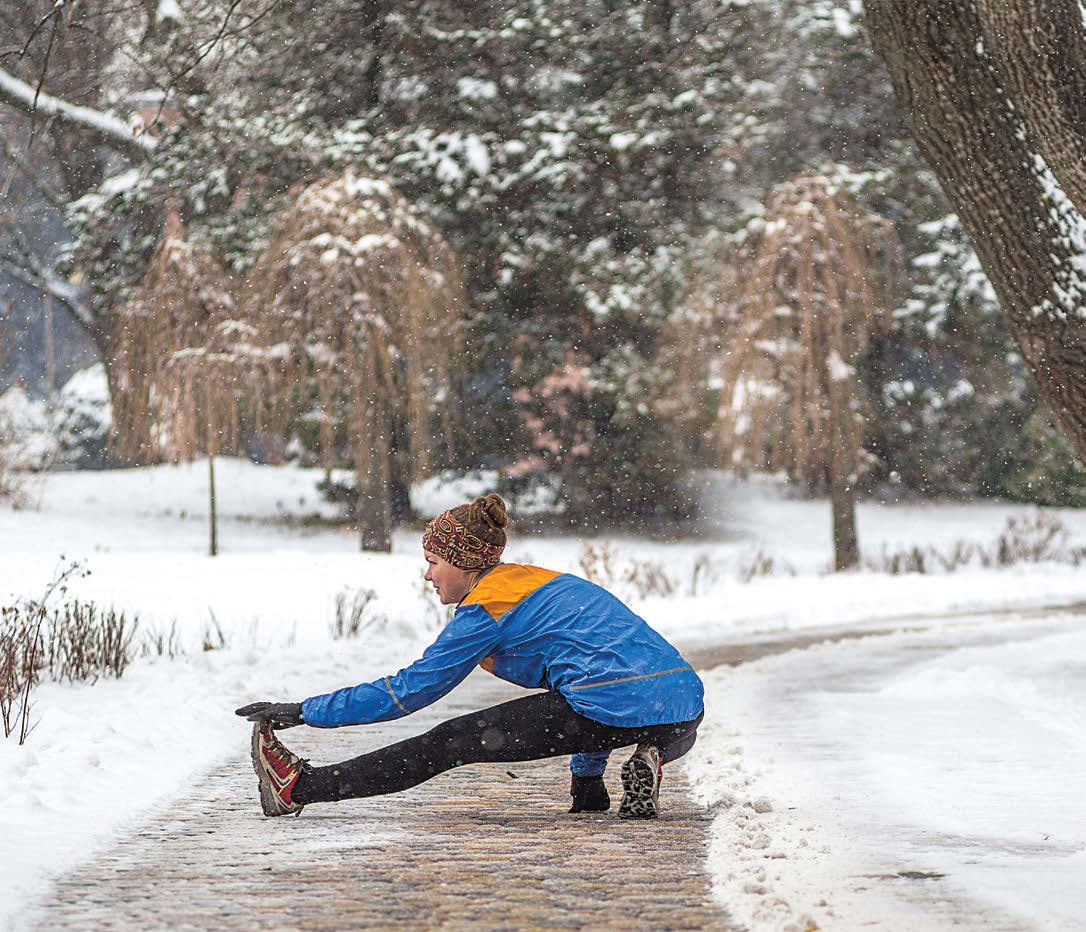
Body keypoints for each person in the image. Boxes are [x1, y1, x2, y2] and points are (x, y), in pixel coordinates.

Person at [236, 493, 704, 820]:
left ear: (463, 563)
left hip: (607, 704)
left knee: (448, 741)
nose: (427, 575)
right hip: (683, 705)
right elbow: (597, 671)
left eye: (433, 562)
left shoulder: (487, 609)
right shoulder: (546, 581)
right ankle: (654, 754)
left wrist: (303, 711)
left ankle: (298, 788)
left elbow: (409, 692)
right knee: (610, 704)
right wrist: (586, 785)